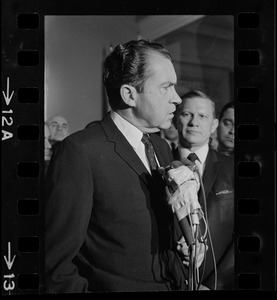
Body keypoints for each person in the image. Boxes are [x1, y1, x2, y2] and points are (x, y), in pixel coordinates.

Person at [44, 39, 205, 293]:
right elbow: (55, 267)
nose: (177, 99)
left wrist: (185, 250)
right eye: (166, 87)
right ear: (129, 94)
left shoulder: (162, 148)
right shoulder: (79, 152)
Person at [173, 90, 234, 290]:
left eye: (202, 116)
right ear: (175, 119)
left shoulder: (234, 169)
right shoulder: (158, 165)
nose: (194, 122)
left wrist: (213, 284)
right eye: (186, 114)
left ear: (214, 125)